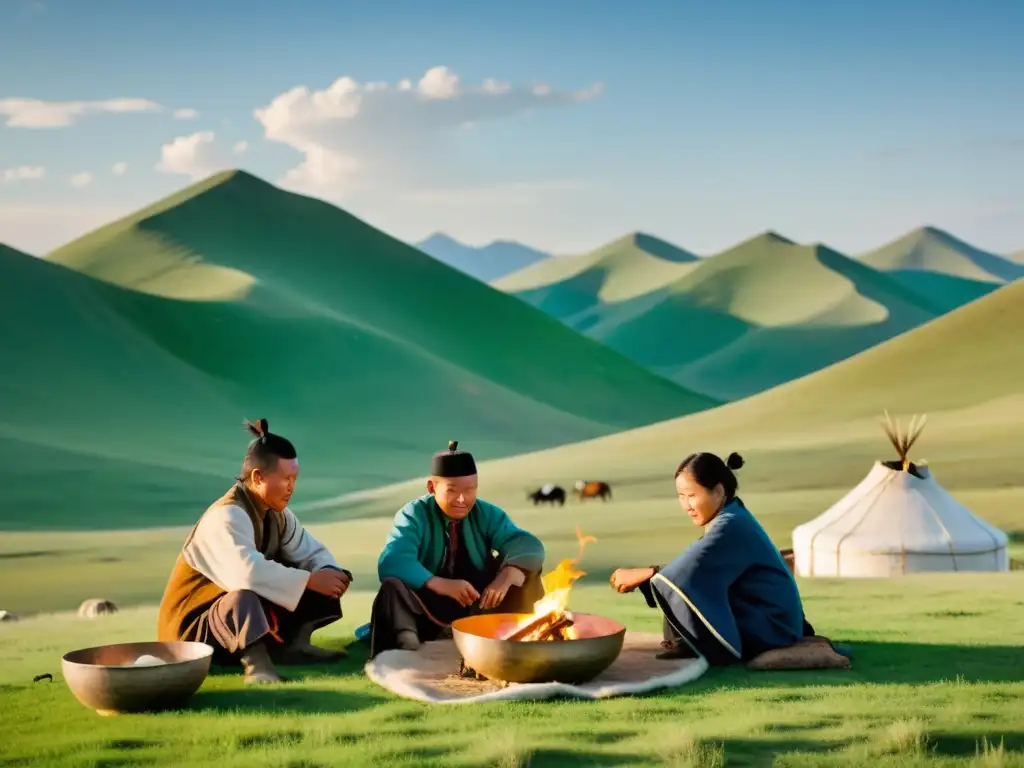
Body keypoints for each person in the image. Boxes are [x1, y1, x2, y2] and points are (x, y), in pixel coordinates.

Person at [157, 419, 353, 684]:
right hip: (192, 633)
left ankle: (294, 647)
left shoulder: (278, 515)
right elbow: (246, 573)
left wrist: (327, 573)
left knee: (327, 574)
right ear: (258, 477)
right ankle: (257, 665)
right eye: (285, 478)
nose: (291, 487)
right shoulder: (226, 515)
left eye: (294, 479)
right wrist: (310, 580)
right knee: (243, 597)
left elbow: (311, 551)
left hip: (234, 629)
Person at [609, 451, 815, 666]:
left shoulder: (730, 525)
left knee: (683, 586)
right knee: (686, 586)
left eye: (692, 495)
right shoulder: (732, 516)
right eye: (681, 496)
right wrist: (652, 574)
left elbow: (687, 573)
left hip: (772, 625)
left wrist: (647, 573)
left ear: (718, 491)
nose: (686, 505)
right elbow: (695, 568)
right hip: (775, 620)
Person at [368, 440, 545, 658]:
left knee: (525, 572)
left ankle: (514, 636)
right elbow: (392, 560)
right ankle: (405, 639)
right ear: (432, 487)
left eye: (470, 490)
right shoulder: (413, 514)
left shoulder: (487, 513)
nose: (462, 499)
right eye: (452, 490)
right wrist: (438, 583)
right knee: (392, 585)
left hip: (479, 607)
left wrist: (508, 574)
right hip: (425, 608)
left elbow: (526, 544)